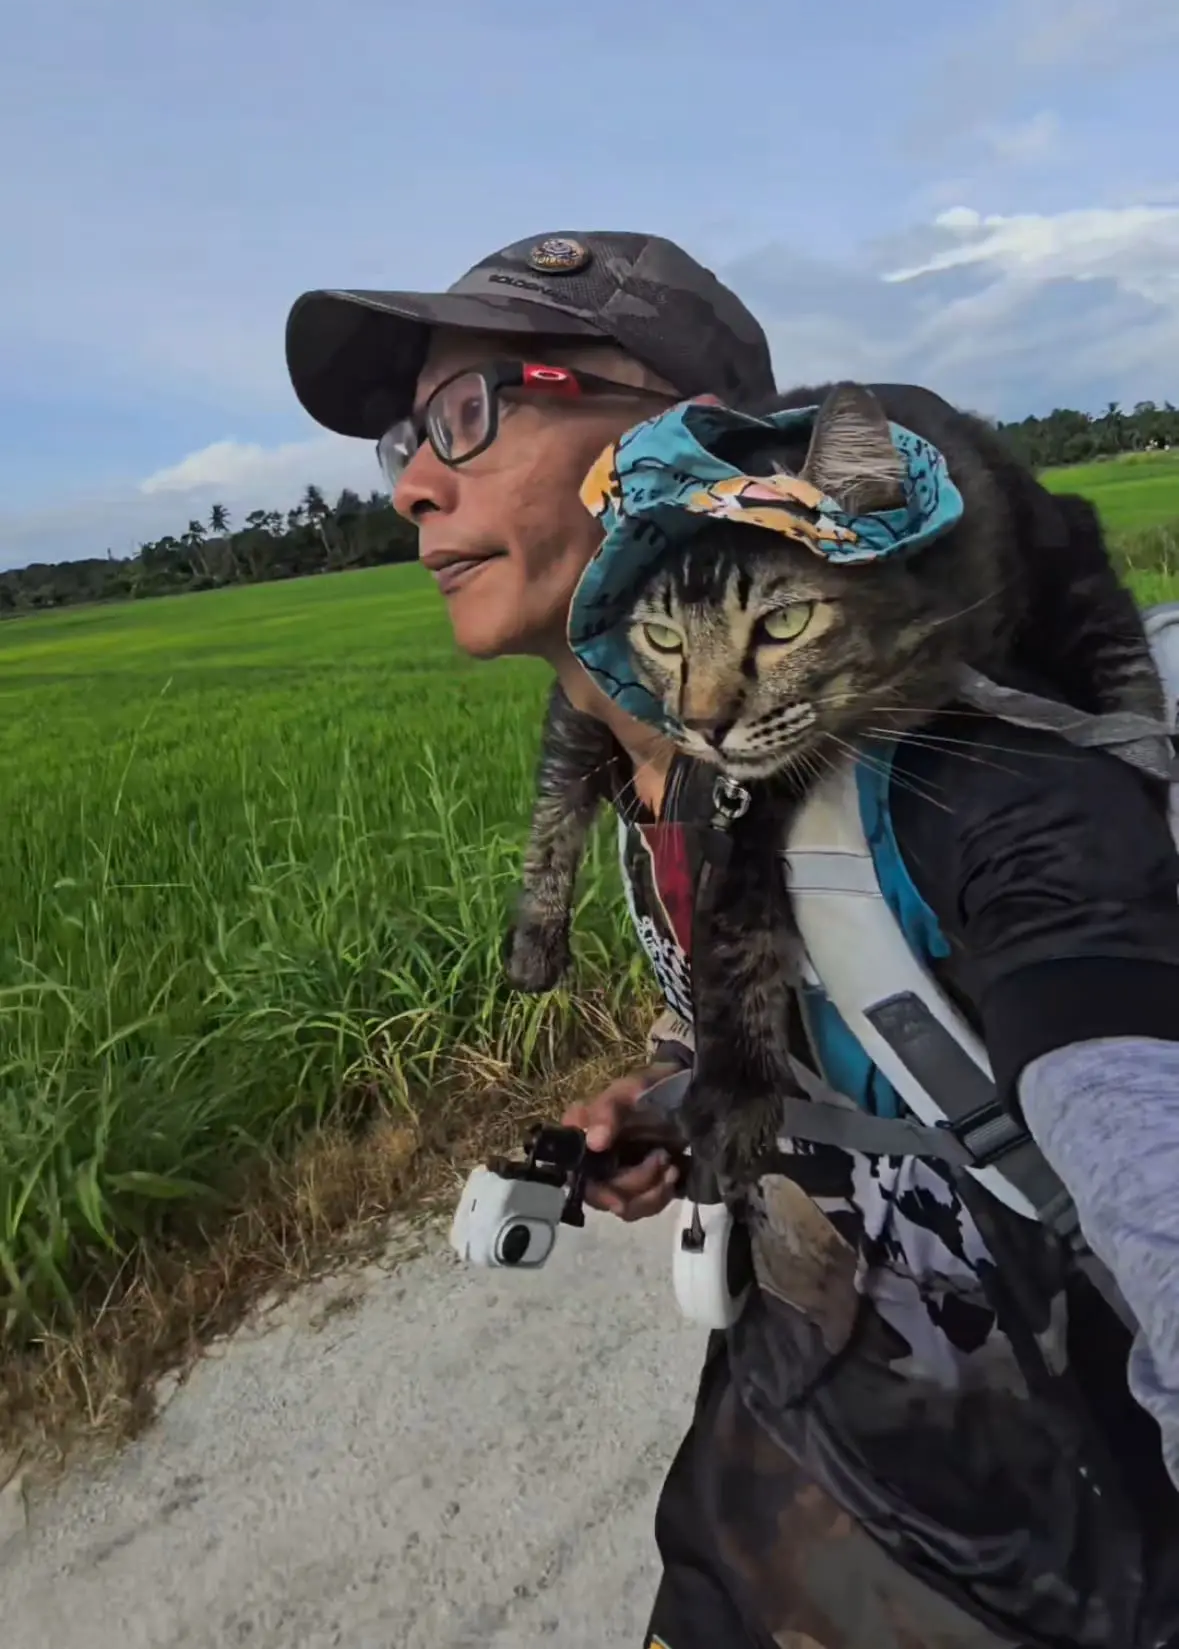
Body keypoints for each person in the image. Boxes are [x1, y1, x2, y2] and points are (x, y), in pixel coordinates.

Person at [286, 231, 1179, 1649]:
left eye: (469, 413)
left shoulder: (971, 794)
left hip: (1026, 1576)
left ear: (676, 444)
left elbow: (1121, 1081)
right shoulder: (671, 778)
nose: (406, 480)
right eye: (408, 434)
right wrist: (670, 1097)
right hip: (758, 1490)